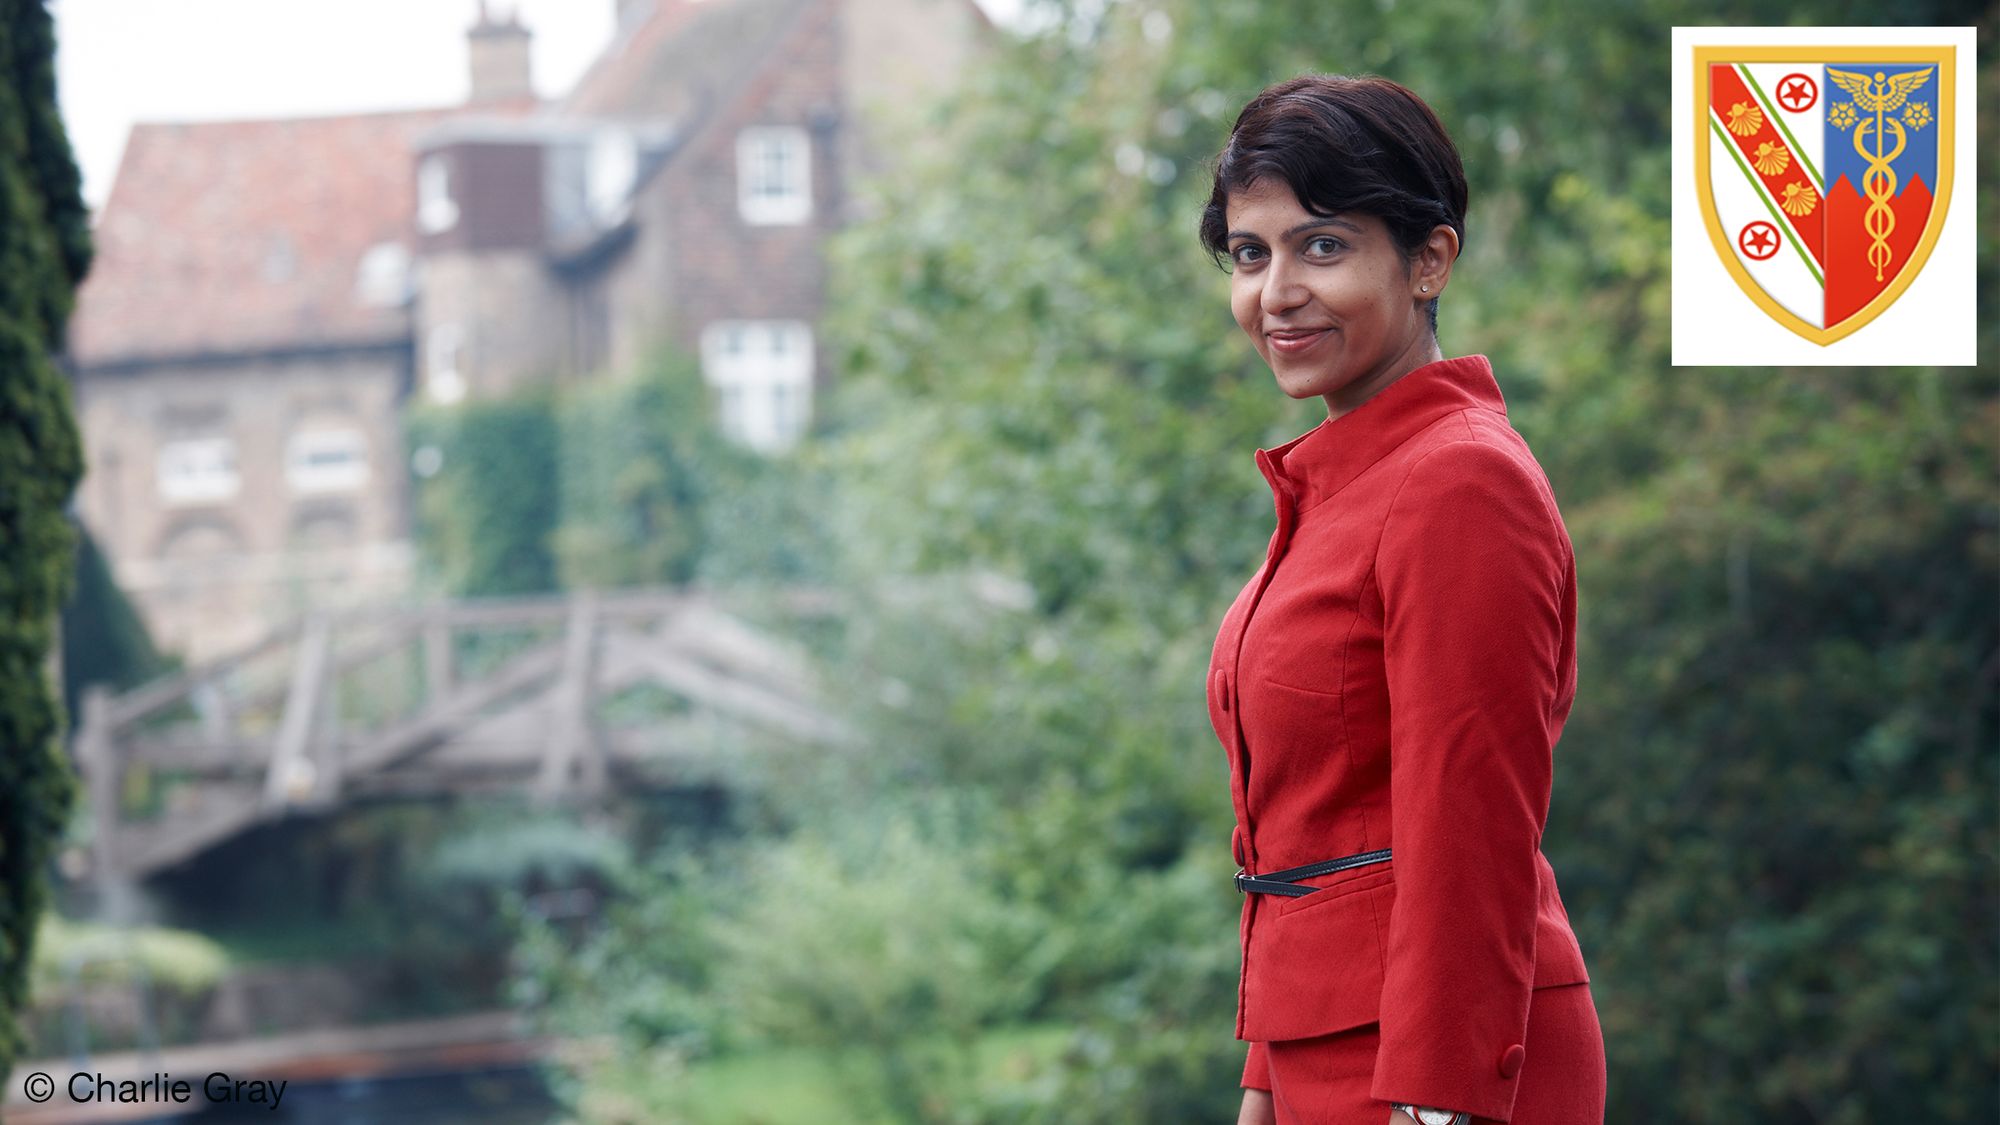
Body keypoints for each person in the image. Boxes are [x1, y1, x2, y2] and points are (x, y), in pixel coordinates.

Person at [1197, 74, 1607, 1125]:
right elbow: (1311, 833)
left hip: (1435, 1072)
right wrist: (1262, 1080)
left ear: (1428, 260)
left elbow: (1465, 835)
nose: (1275, 292)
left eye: (1321, 246)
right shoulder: (1342, 485)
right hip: (1321, 1053)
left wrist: (1437, 1107)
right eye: (1251, 254)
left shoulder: (1456, 483)